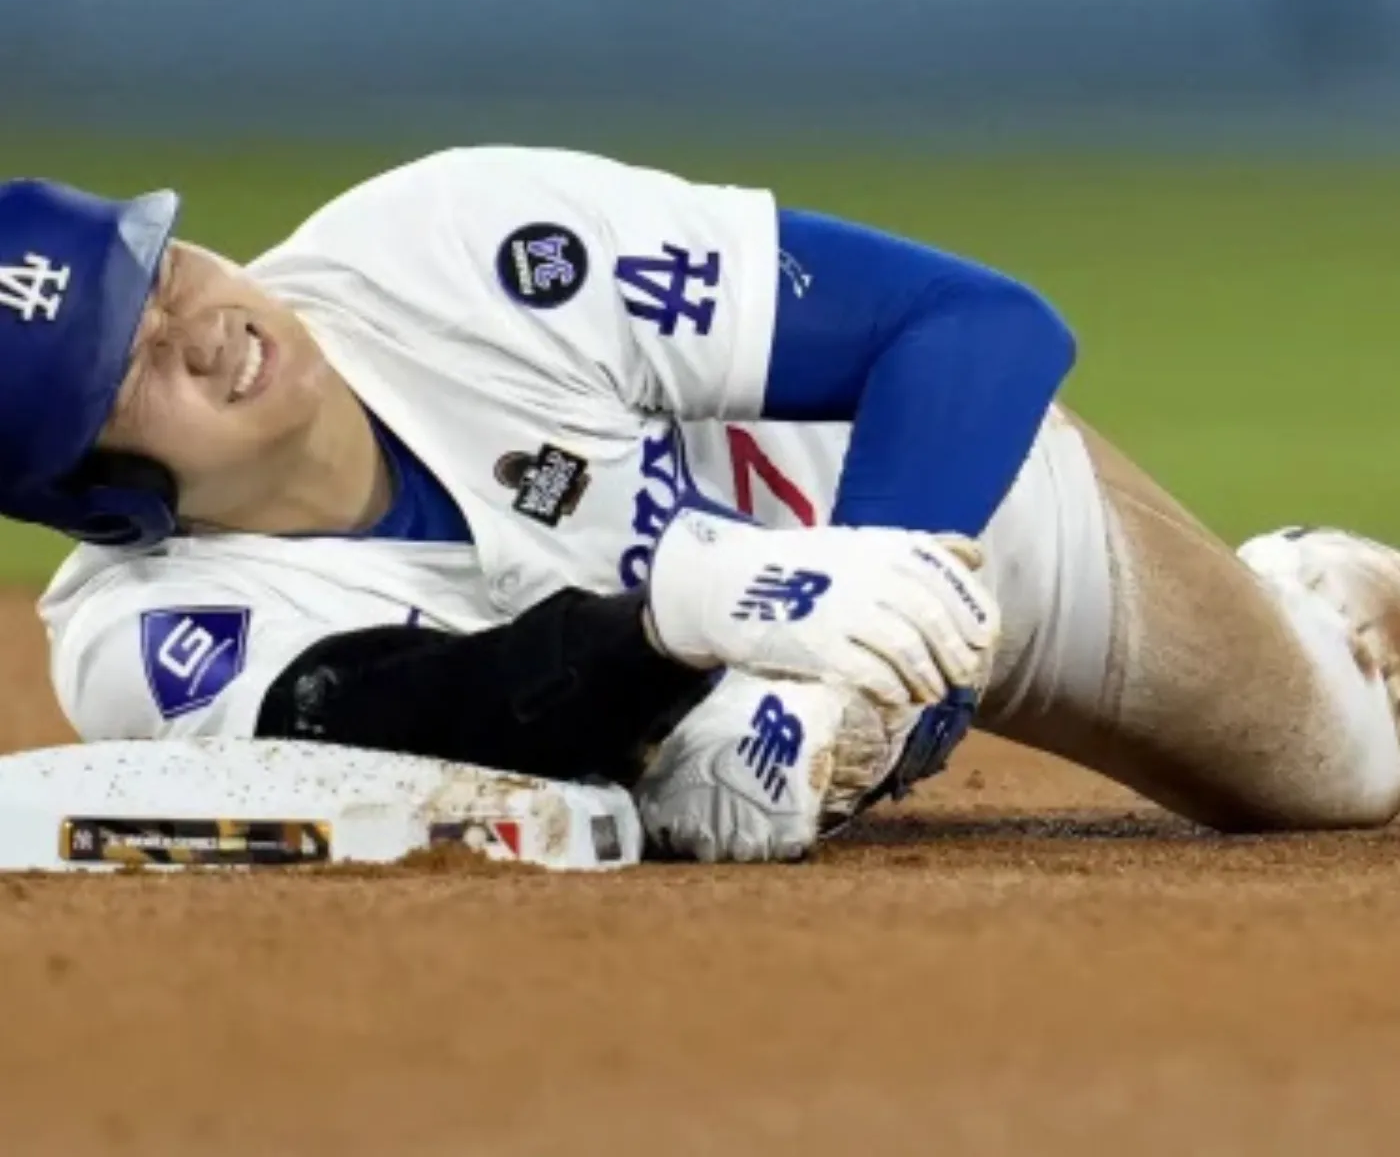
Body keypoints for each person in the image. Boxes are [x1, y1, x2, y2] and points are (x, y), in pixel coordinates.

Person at [2, 150, 1397, 864]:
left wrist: (846, 627)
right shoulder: (144, 638)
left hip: (946, 507)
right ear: (99, 500)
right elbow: (423, 720)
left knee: (1341, 778)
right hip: (703, 649)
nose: (197, 328)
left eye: (160, 268)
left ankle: (1308, 593)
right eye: (122, 372)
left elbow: (977, 326)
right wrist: (677, 630)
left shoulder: (456, 246)